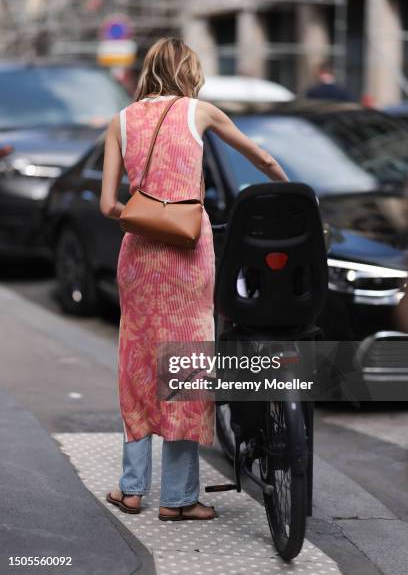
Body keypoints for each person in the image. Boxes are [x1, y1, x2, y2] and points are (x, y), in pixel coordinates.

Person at [100, 37, 288, 522]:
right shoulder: (198, 112)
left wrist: (147, 217)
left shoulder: (119, 121)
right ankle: (179, 499)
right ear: (188, 70)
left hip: (139, 255)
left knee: (137, 361)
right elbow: (260, 158)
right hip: (188, 253)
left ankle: (131, 489)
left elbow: (107, 206)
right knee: (184, 365)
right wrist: (291, 196)